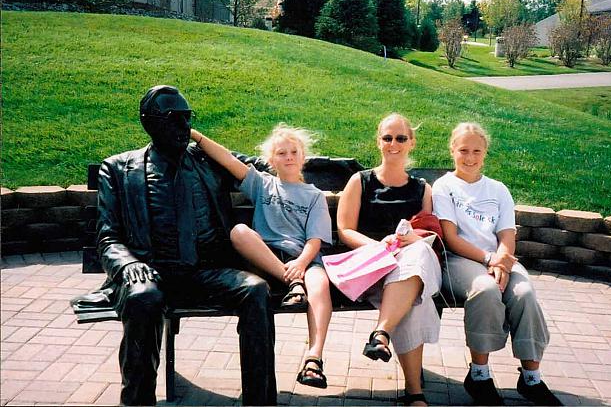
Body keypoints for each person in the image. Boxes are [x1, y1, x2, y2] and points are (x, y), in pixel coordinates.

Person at [95, 85, 277, 406]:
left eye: (186, 118)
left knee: (255, 290)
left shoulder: (208, 161)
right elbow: (108, 237)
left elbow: (270, 168)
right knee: (143, 297)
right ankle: (137, 402)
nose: (184, 128)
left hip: (207, 273)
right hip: (152, 275)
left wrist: (329, 166)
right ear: (148, 121)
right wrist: (128, 265)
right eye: (172, 118)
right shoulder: (119, 170)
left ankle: (260, 402)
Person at [190, 123, 333, 389]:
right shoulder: (262, 184)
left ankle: (314, 359)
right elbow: (228, 159)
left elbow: (315, 240)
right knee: (240, 231)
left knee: (320, 283)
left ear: (303, 157)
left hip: (302, 260)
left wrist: (301, 264)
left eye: (293, 152)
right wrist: (195, 135)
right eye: (281, 153)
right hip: (265, 260)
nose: (288, 156)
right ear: (271, 160)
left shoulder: (314, 196)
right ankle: (293, 284)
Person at [432, 122, 562, 406]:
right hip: (460, 260)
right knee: (486, 290)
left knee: (525, 294)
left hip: (499, 260)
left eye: (476, 150)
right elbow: (451, 238)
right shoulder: (444, 187)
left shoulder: (498, 189)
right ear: (452, 150)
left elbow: (506, 234)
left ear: (485, 152)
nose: (470, 157)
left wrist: (502, 261)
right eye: (463, 150)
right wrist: (490, 260)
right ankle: (479, 375)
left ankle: (532, 378)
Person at [337, 113, 442, 407]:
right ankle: (414, 393)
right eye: (387, 138)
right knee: (414, 295)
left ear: (412, 143)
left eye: (401, 138)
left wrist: (415, 240)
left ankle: (381, 332)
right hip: (374, 268)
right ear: (378, 141)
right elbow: (344, 230)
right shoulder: (360, 181)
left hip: (413, 263)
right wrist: (379, 247)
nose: (393, 144)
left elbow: (429, 231)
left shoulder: (423, 189)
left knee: (416, 260)